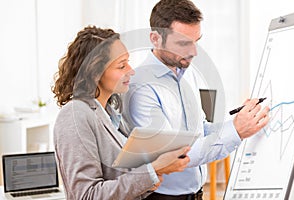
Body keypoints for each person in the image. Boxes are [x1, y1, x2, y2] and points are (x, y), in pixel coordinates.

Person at [122, 0, 270, 199]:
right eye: (183, 43)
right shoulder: (140, 87)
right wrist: (235, 130)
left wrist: (237, 123)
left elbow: (200, 130)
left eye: (196, 41)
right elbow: (174, 155)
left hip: (196, 194)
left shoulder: (186, 72)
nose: (194, 52)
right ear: (155, 39)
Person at [51, 26, 191, 200]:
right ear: (95, 72)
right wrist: (153, 170)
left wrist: (152, 177)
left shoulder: (111, 114)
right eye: (121, 65)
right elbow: (86, 195)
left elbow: (122, 180)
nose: (131, 71)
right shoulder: (74, 115)